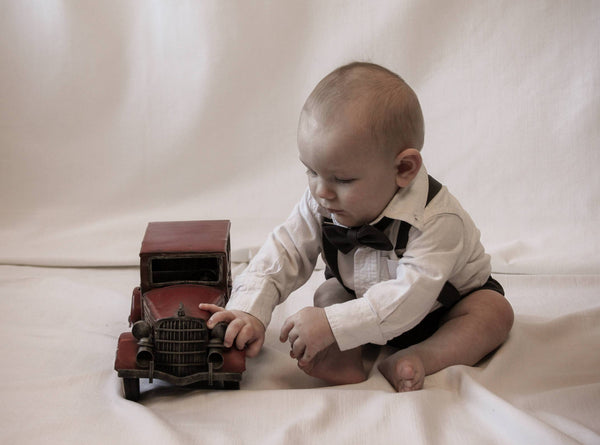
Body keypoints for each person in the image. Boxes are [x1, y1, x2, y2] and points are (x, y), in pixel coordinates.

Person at [200, 62, 514, 392]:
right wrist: (248, 311)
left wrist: (333, 325)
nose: (321, 190)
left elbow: (410, 298)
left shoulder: (437, 221)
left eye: (343, 179)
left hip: (440, 310)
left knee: (493, 313)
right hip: (363, 302)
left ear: (403, 169)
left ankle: (423, 356)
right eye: (311, 171)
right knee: (329, 292)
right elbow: (283, 252)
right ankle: (344, 360)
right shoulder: (322, 199)